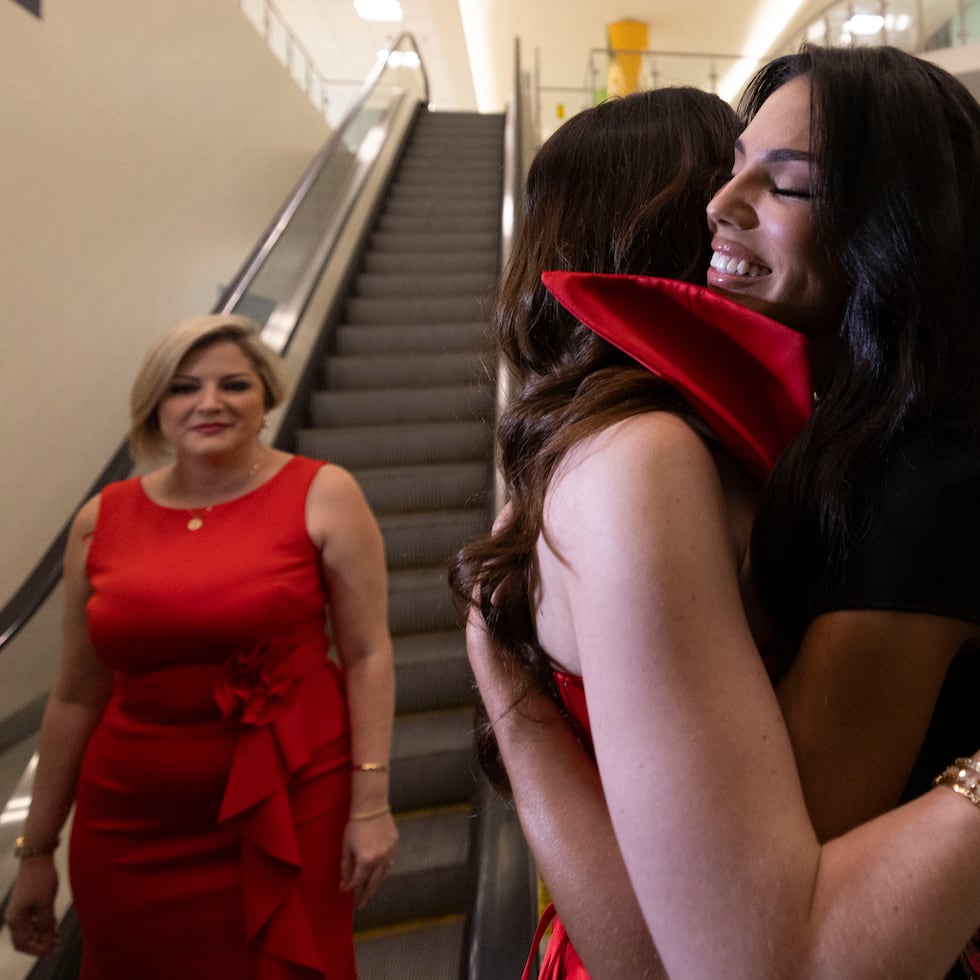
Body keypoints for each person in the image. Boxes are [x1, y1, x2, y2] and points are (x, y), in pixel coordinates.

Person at [453, 45, 980, 979]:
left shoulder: (857, 461)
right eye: (728, 167)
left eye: (786, 185)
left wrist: (508, 686)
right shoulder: (650, 458)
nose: (719, 208)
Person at [3, 314, 399, 978]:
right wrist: (36, 850)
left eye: (234, 385)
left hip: (290, 801)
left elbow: (367, 653)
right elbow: (76, 695)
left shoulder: (324, 493)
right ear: (155, 408)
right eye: (184, 388)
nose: (209, 403)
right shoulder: (101, 519)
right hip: (130, 822)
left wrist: (372, 803)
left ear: (266, 398)